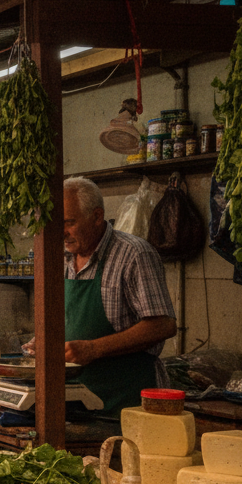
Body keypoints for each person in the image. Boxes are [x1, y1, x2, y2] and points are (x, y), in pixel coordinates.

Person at [50, 177, 177, 414]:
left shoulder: (134, 254)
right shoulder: (62, 257)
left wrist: (93, 349)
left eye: (69, 223)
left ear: (97, 216)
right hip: (75, 403)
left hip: (126, 402)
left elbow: (163, 325)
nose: (62, 232)